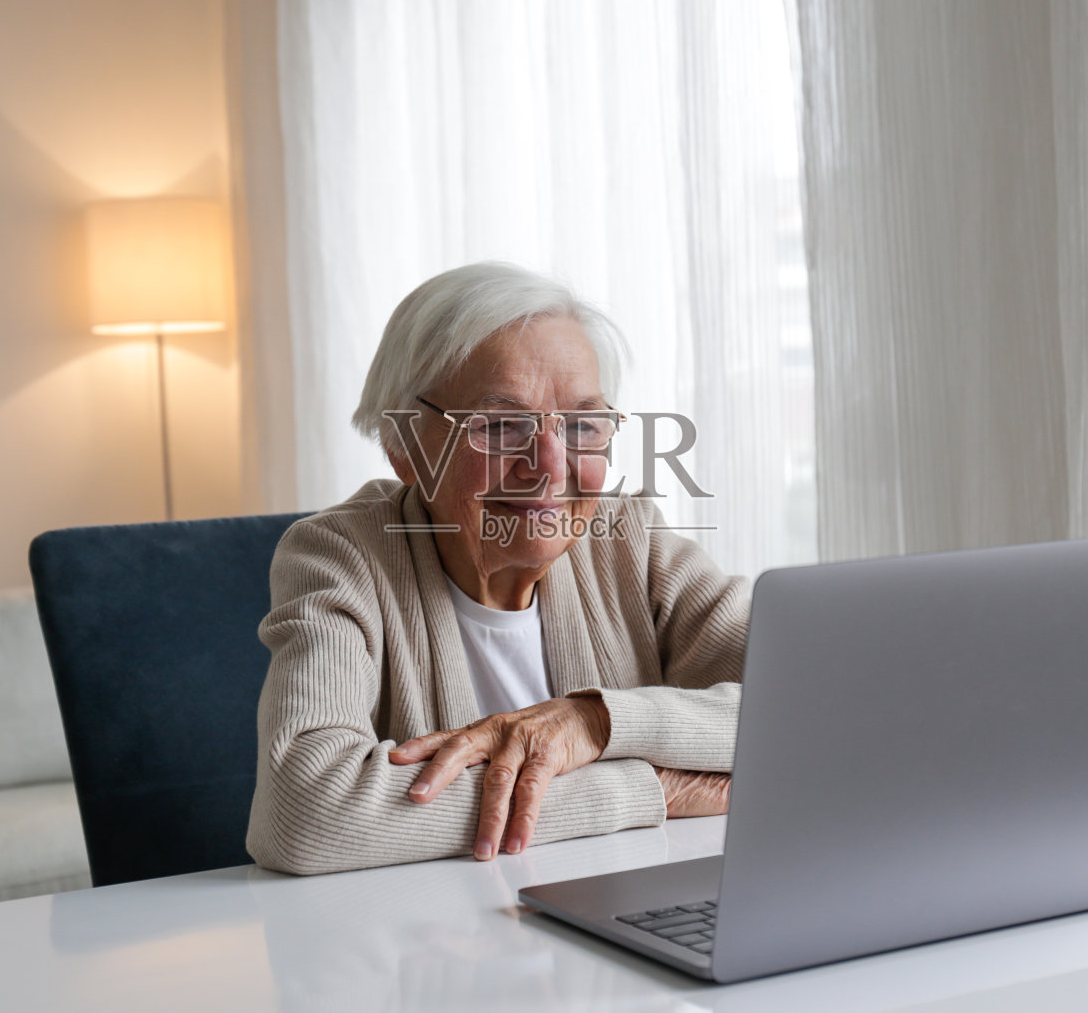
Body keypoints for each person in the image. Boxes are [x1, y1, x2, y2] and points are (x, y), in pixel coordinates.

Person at [247, 262, 747, 875]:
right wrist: (656, 790)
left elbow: (826, 708)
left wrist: (594, 722)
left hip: (621, 918)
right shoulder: (339, 556)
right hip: (425, 944)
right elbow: (306, 816)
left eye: (583, 425)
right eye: (502, 426)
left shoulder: (630, 540)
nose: (548, 464)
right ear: (403, 448)